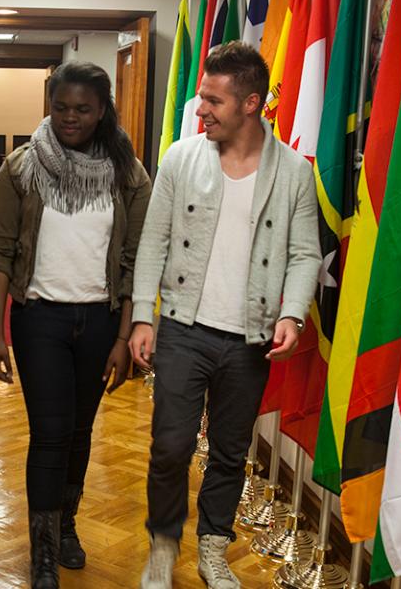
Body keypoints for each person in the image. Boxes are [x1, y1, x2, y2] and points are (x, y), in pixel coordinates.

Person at [129, 41, 321, 589]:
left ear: (251, 103)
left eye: (213, 100)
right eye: (200, 98)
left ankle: (212, 548)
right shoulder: (180, 158)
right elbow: (154, 242)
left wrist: (292, 314)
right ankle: (163, 548)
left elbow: (305, 253)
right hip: (184, 329)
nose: (200, 110)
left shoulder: (294, 173)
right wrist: (144, 314)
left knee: (231, 453)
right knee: (170, 447)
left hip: (251, 339)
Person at [0, 61, 152, 589]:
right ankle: (41, 551)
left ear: (103, 109)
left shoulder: (129, 173)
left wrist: (125, 337)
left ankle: (66, 526)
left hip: (101, 321)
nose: (70, 118)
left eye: (82, 109)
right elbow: (1, 254)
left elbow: (136, 261)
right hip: (40, 321)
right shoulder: (20, 167)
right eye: (60, 107)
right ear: (49, 105)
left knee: (80, 432)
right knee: (50, 434)